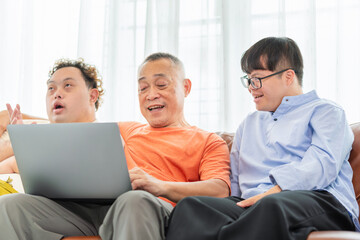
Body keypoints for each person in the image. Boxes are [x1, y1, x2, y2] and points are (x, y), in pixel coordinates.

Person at [0, 52, 231, 240]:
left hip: (151, 208)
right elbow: (75, 127)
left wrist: (159, 186)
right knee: (10, 206)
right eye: (142, 88)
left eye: (160, 84)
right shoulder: (126, 129)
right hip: (96, 211)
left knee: (133, 199)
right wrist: (22, 132)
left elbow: (220, 189)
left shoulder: (208, 140)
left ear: (186, 87)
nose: (151, 95)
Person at [165, 37, 360, 240]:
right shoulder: (248, 124)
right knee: (192, 206)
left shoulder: (326, 112)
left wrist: (274, 191)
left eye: (257, 78)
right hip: (255, 207)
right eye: (248, 79)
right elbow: (235, 182)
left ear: (288, 76)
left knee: (272, 206)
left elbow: (322, 164)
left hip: (322, 201)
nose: (251, 86)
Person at [0, 58, 104, 173]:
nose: (57, 94)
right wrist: (17, 143)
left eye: (68, 85)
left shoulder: (107, 138)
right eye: (51, 88)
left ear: (92, 96)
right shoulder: (26, 129)